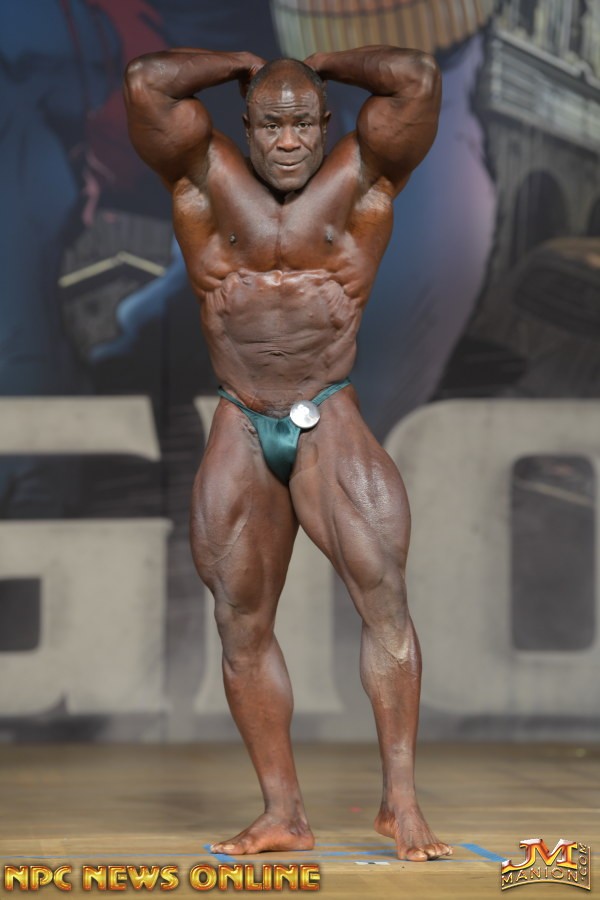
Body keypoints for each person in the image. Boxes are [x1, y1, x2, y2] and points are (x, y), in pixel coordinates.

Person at [124, 44, 450, 862]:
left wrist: (323, 61)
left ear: (326, 121)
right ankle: (283, 814)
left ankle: (402, 803)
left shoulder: (364, 177)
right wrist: (240, 59)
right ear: (246, 124)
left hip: (326, 413)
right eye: (271, 123)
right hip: (241, 419)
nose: (289, 140)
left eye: (303, 122)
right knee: (240, 622)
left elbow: (416, 80)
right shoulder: (203, 178)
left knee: (385, 601)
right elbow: (146, 84)